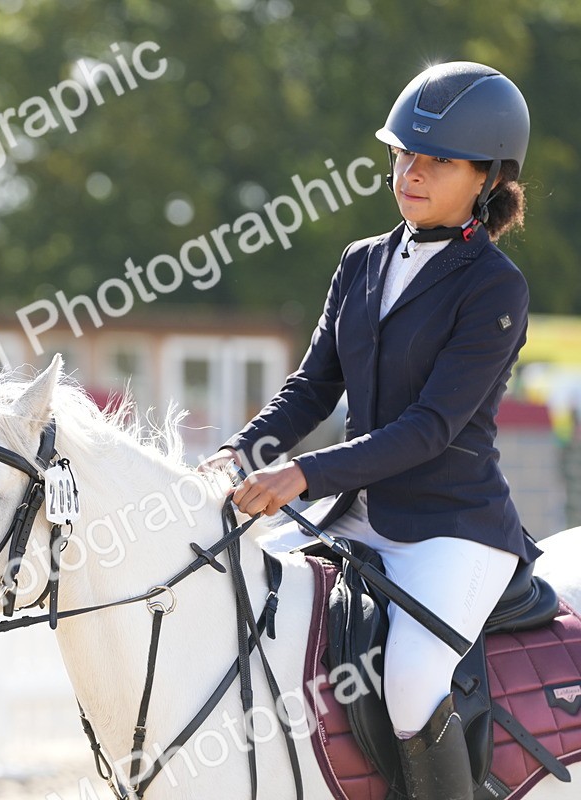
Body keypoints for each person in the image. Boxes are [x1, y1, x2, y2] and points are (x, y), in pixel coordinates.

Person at [201, 61, 538, 800]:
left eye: (437, 160)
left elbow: (431, 427)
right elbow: (312, 387)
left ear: (486, 177)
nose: (411, 172)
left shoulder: (495, 287)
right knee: (236, 608)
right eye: (403, 153)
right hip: (351, 515)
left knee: (411, 683)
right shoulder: (360, 262)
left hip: (450, 529)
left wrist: (305, 473)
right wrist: (237, 454)